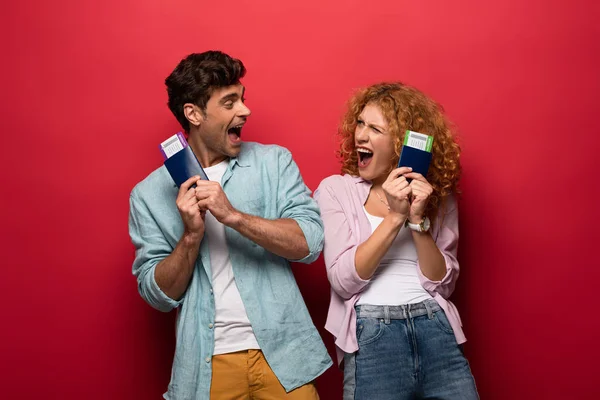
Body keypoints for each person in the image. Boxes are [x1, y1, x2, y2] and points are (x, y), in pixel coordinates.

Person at [128, 51, 331, 400]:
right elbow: (157, 296)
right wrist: (192, 236)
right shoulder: (147, 195)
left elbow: (310, 242)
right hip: (207, 366)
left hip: (283, 355)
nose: (245, 110)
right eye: (229, 102)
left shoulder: (274, 162)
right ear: (193, 114)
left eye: (243, 98)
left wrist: (233, 216)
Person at [314, 82, 478, 399]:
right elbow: (343, 281)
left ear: (402, 144)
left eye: (375, 128)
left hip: (435, 328)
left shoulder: (436, 198)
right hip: (374, 335)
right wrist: (395, 217)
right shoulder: (336, 190)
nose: (360, 135)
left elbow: (443, 285)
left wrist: (417, 219)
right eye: (360, 124)